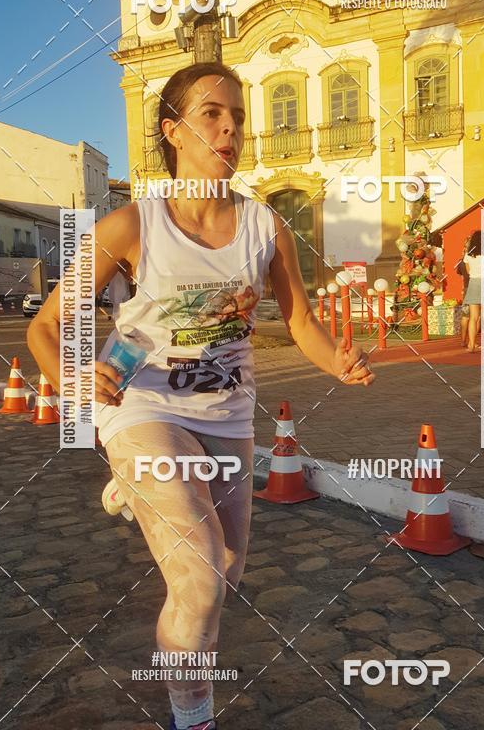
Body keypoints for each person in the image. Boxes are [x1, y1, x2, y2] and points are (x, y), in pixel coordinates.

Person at [27, 61, 375, 730]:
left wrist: (338, 361)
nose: (230, 128)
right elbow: (48, 325)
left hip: (227, 416)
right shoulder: (131, 227)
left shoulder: (265, 228)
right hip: (143, 407)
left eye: (238, 117)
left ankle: (136, 489)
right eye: (213, 114)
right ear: (174, 130)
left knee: (228, 576)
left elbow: (299, 319)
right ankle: (194, 718)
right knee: (201, 577)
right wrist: (70, 378)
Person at [462, 230, 483, 352]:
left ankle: (471, 344)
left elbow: (468, 271)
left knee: (473, 317)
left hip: (473, 283)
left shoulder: (468, 254)